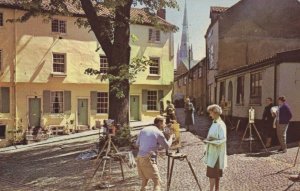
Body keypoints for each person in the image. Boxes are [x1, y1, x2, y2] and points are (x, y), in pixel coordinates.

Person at [135, 116, 174, 191]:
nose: (165, 125)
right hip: (148, 159)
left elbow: (137, 144)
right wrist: (171, 137)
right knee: (157, 183)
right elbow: (167, 146)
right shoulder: (158, 132)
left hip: (139, 158)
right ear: (159, 123)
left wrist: (154, 148)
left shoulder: (144, 129)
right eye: (164, 123)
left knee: (144, 182)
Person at [204, 104, 227, 191]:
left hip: (217, 153)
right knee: (215, 174)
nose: (210, 115)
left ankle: (211, 190)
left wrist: (210, 141)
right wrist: (208, 140)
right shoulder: (214, 122)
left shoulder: (221, 124)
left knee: (213, 174)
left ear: (216, 113)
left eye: (211, 113)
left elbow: (223, 139)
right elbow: (212, 135)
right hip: (212, 151)